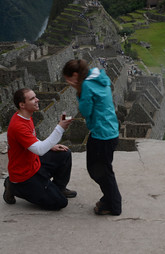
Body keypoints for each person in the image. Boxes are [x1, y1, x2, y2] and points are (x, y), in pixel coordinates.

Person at [63, 59, 122, 216]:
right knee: (101, 169)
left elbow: (86, 110)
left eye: (68, 79)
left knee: (100, 170)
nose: (67, 82)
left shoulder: (87, 86)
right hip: (109, 131)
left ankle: (114, 204)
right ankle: (109, 198)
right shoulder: (99, 79)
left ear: (75, 75)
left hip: (102, 134)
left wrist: (78, 90)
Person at [3, 88, 77, 210]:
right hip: (24, 176)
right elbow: (40, 150)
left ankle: (59, 188)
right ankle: (13, 186)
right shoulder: (18, 125)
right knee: (60, 203)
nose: (37, 100)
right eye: (32, 98)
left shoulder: (26, 116)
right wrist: (60, 128)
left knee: (64, 153)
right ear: (22, 105)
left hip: (33, 163)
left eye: (35, 96)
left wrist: (51, 146)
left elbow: (32, 141)